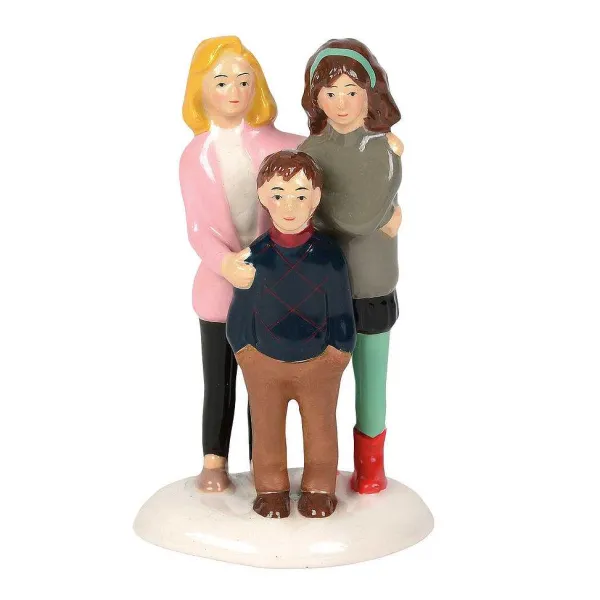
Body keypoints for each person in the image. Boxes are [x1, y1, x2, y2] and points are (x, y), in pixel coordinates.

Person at [179, 36, 303, 492]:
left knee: (264, 382)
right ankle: (214, 460)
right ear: (201, 89)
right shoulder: (194, 156)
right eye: (222, 81)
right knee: (219, 378)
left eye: (244, 81)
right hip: (221, 286)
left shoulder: (282, 145)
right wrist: (225, 263)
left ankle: (262, 462)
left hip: (273, 285)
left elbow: (325, 154)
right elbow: (197, 229)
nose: (235, 91)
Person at [298, 38, 404, 494]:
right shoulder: (311, 149)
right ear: (316, 98)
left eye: (351, 91)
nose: (340, 103)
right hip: (320, 286)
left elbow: (359, 215)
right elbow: (308, 213)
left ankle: (370, 470)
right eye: (330, 92)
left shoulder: (381, 149)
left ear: (369, 95)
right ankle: (319, 471)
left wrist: (372, 209)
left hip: (371, 285)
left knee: (372, 380)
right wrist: (384, 212)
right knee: (317, 386)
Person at [227, 151, 356, 518]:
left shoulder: (329, 256)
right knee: (266, 428)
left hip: (319, 363)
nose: (289, 206)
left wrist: (339, 352)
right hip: (264, 361)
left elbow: (341, 308)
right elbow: (241, 309)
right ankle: (270, 488)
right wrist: (244, 350)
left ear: (315, 198)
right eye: (278, 194)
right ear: (263, 197)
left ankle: (319, 487)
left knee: (320, 428)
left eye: (300, 195)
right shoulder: (255, 257)